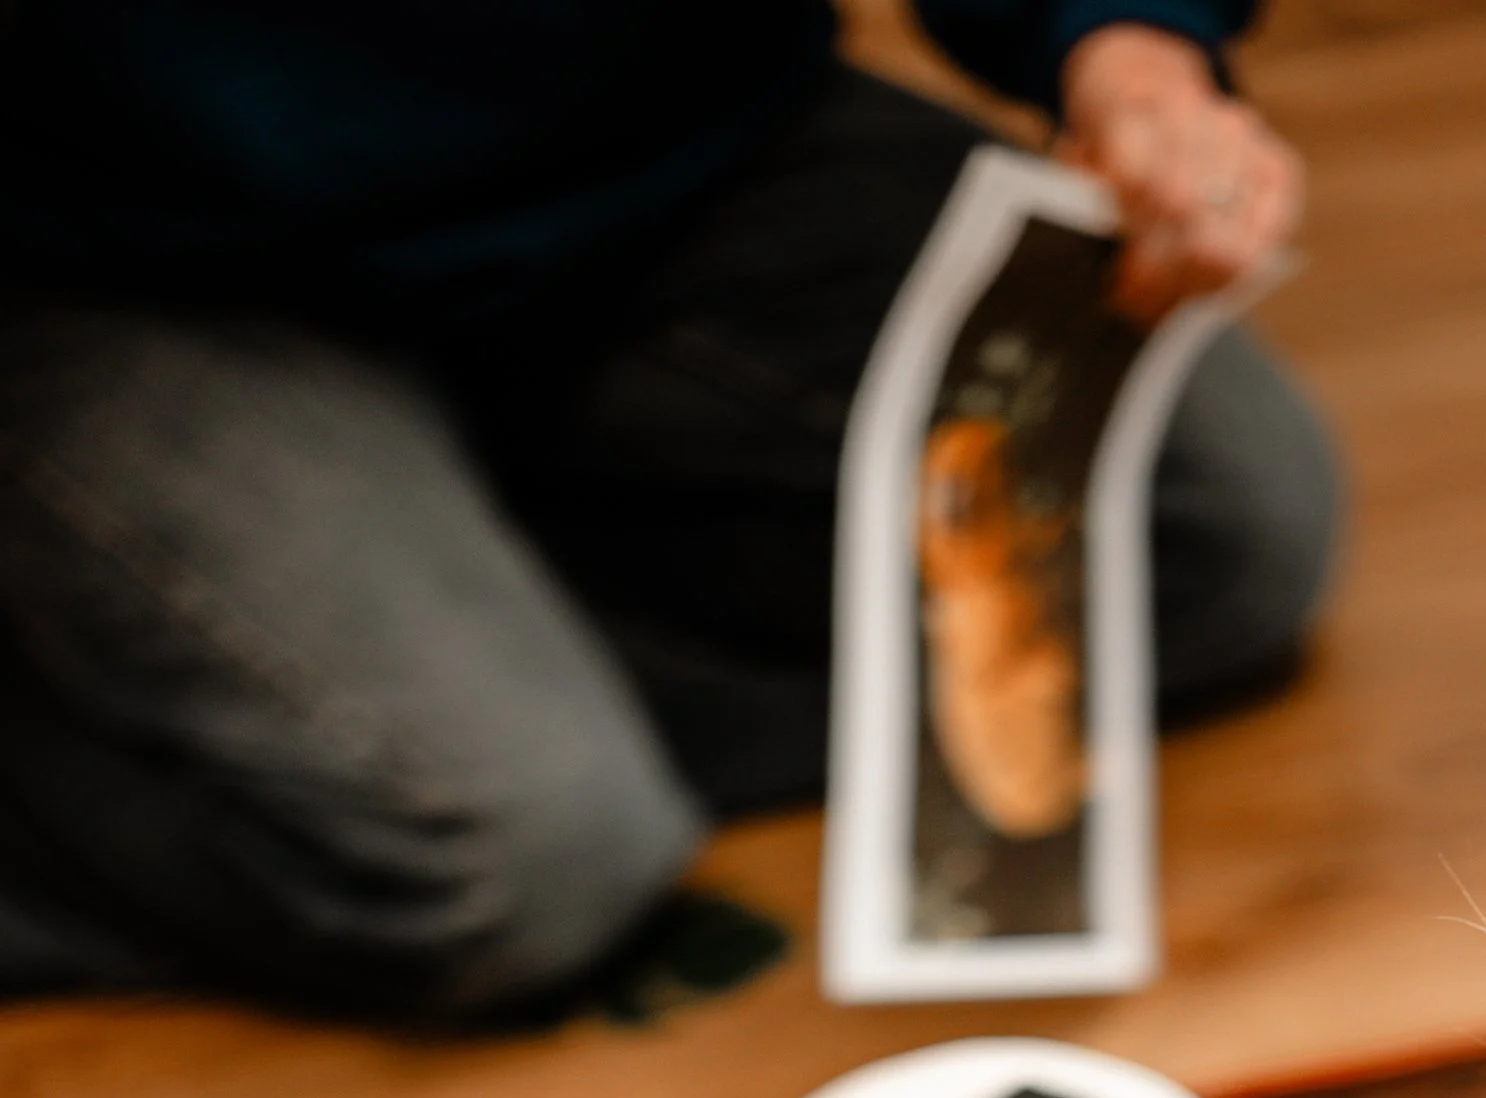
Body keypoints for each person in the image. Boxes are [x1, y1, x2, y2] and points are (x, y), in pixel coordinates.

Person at [0, 5, 1334, 1024]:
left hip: (678, 159)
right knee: (514, 866)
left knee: (1227, 534)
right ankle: (423, 722)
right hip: (144, 263)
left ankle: (444, 655)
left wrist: (1124, 48)